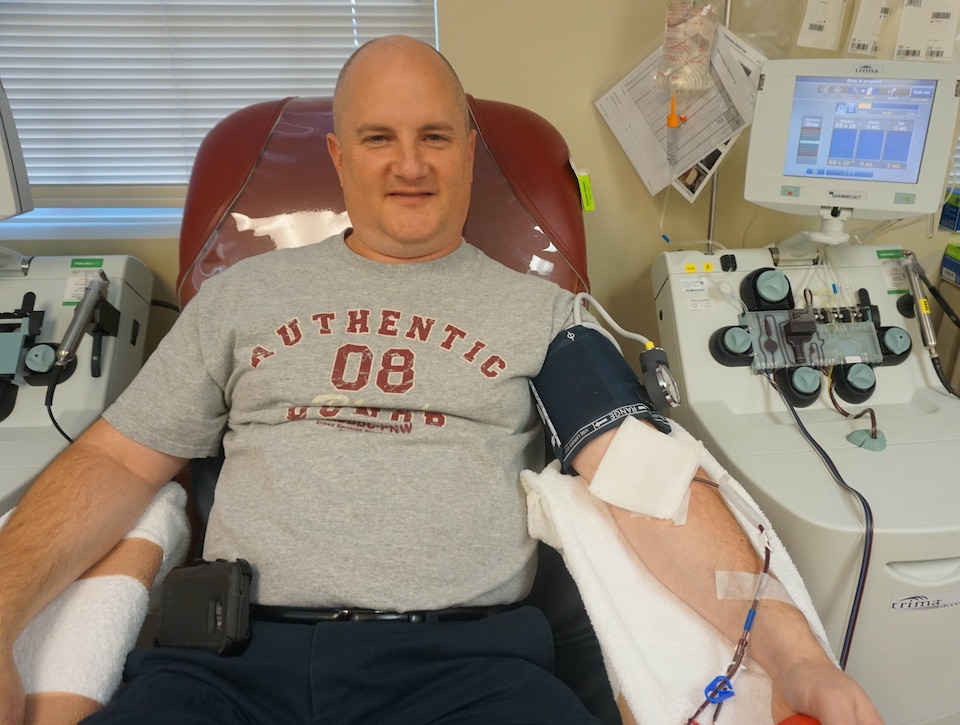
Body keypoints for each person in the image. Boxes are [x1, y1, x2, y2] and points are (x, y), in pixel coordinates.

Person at [0, 35, 883, 725]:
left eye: (433, 137)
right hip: (232, 666)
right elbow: (118, 463)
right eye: (379, 139)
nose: (410, 165)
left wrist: (795, 651)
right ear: (341, 160)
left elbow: (641, 478)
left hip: (469, 674)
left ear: (468, 150)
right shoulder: (238, 298)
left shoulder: (546, 316)